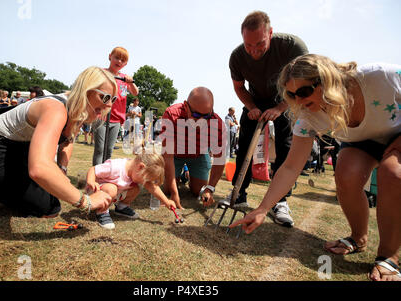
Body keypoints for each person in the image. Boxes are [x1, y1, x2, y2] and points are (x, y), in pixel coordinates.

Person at [230, 54, 401, 281]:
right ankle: (358, 238)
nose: (298, 100)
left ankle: (389, 256)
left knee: (393, 173)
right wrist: (262, 209)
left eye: (304, 92)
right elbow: (291, 167)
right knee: (346, 174)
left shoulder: (380, 76)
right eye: (291, 94)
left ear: (327, 81)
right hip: (361, 140)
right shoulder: (306, 117)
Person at [0, 66, 117, 218]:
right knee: (47, 207)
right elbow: (39, 168)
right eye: (105, 97)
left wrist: (62, 169)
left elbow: (67, 141)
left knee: (54, 192)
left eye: (113, 99)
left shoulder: (77, 111)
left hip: (19, 150)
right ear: (86, 90)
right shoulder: (56, 109)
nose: (109, 104)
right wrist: (86, 202)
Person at [229, 11, 308, 227]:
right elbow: (239, 87)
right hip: (255, 99)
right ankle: (238, 193)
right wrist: (252, 107)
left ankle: (280, 201)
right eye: (248, 45)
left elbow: (304, 85)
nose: (254, 51)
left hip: (287, 98)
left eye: (260, 44)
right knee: (244, 145)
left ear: (270, 33)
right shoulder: (237, 57)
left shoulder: (292, 47)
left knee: (285, 146)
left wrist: (281, 108)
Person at [161, 87, 227, 209]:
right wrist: (174, 193)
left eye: (206, 116)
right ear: (186, 106)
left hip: (199, 155)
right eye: (196, 115)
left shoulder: (217, 123)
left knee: (198, 191)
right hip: (175, 155)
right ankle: (180, 175)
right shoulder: (172, 114)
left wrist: (210, 188)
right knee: (167, 190)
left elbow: (219, 159)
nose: (201, 121)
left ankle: (186, 175)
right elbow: (167, 156)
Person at [86, 152, 177, 229]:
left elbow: (152, 187)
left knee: (136, 188)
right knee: (111, 189)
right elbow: (93, 169)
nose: (144, 182)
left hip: (114, 193)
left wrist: (166, 201)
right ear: (141, 167)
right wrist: (91, 181)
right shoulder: (115, 167)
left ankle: (122, 207)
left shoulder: (135, 171)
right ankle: (102, 212)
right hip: (96, 192)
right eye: (144, 179)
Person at [92, 47, 139, 165]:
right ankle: (96, 175)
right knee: (100, 149)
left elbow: (135, 92)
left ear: (126, 63)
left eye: (123, 60)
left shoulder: (124, 78)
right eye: (117, 58)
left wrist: (131, 82)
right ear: (110, 57)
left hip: (116, 119)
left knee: (109, 150)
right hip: (101, 117)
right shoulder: (101, 73)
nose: (119, 62)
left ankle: (105, 174)